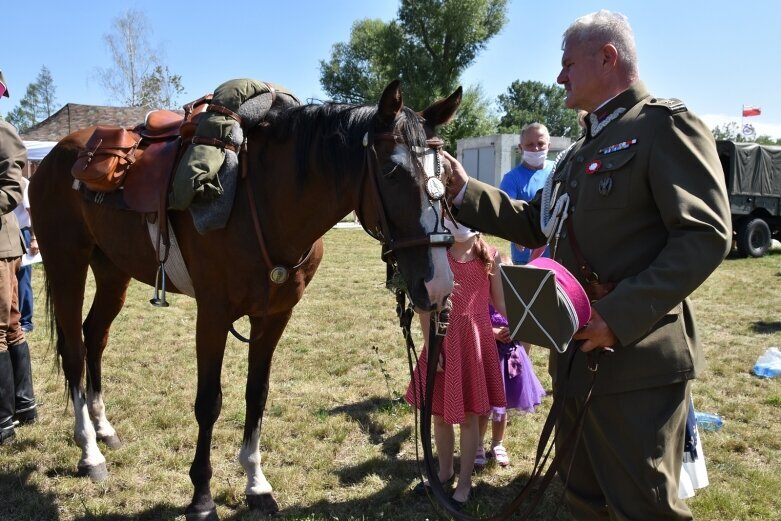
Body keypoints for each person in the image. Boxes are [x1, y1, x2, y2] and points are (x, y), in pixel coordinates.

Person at [441, 10, 731, 520]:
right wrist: (464, 191)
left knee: (643, 504)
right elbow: (537, 223)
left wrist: (617, 317)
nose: (559, 76)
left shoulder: (664, 126)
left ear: (607, 58)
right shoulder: (578, 152)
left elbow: (705, 235)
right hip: (575, 354)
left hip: (635, 361)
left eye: (568, 64)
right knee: (583, 498)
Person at [406, 217, 506, 509]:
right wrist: (431, 347)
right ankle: (444, 470)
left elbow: (500, 303)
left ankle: (464, 482)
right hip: (442, 341)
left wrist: (527, 313)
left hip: (474, 344)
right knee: (438, 414)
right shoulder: (438, 254)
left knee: (469, 417)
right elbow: (425, 306)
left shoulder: (489, 254)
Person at [0, 70, 38, 445]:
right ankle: (23, 408)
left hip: (1, 244)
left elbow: (12, 187)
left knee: (1, 330)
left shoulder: (2, 130)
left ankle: (3, 422)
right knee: (10, 325)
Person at [476, 283, 546, 467]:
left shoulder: (512, 302)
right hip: (486, 356)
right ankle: (477, 445)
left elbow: (526, 323)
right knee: (483, 406)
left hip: (509, 356)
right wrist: (493, 333)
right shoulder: (480, 299)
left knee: (502, 404)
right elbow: (472, 325)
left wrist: (514, 330)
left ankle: (497, 443)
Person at [499, 123, 554, 266]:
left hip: (557, 257)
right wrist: (515, 233)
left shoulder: (559, 171)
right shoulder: (511, 178)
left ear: (549, 146)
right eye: (530, 144)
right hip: (526, 260)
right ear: (520, 147)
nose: (536, 149)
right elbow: (505, 213)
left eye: (541, 143)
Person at [13, 176, 36, 333]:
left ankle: (26, 320)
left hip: (22, 232)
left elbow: (32, 212)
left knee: (23, 277)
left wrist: (35, 238)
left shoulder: (22, 182)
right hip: (6, 232)